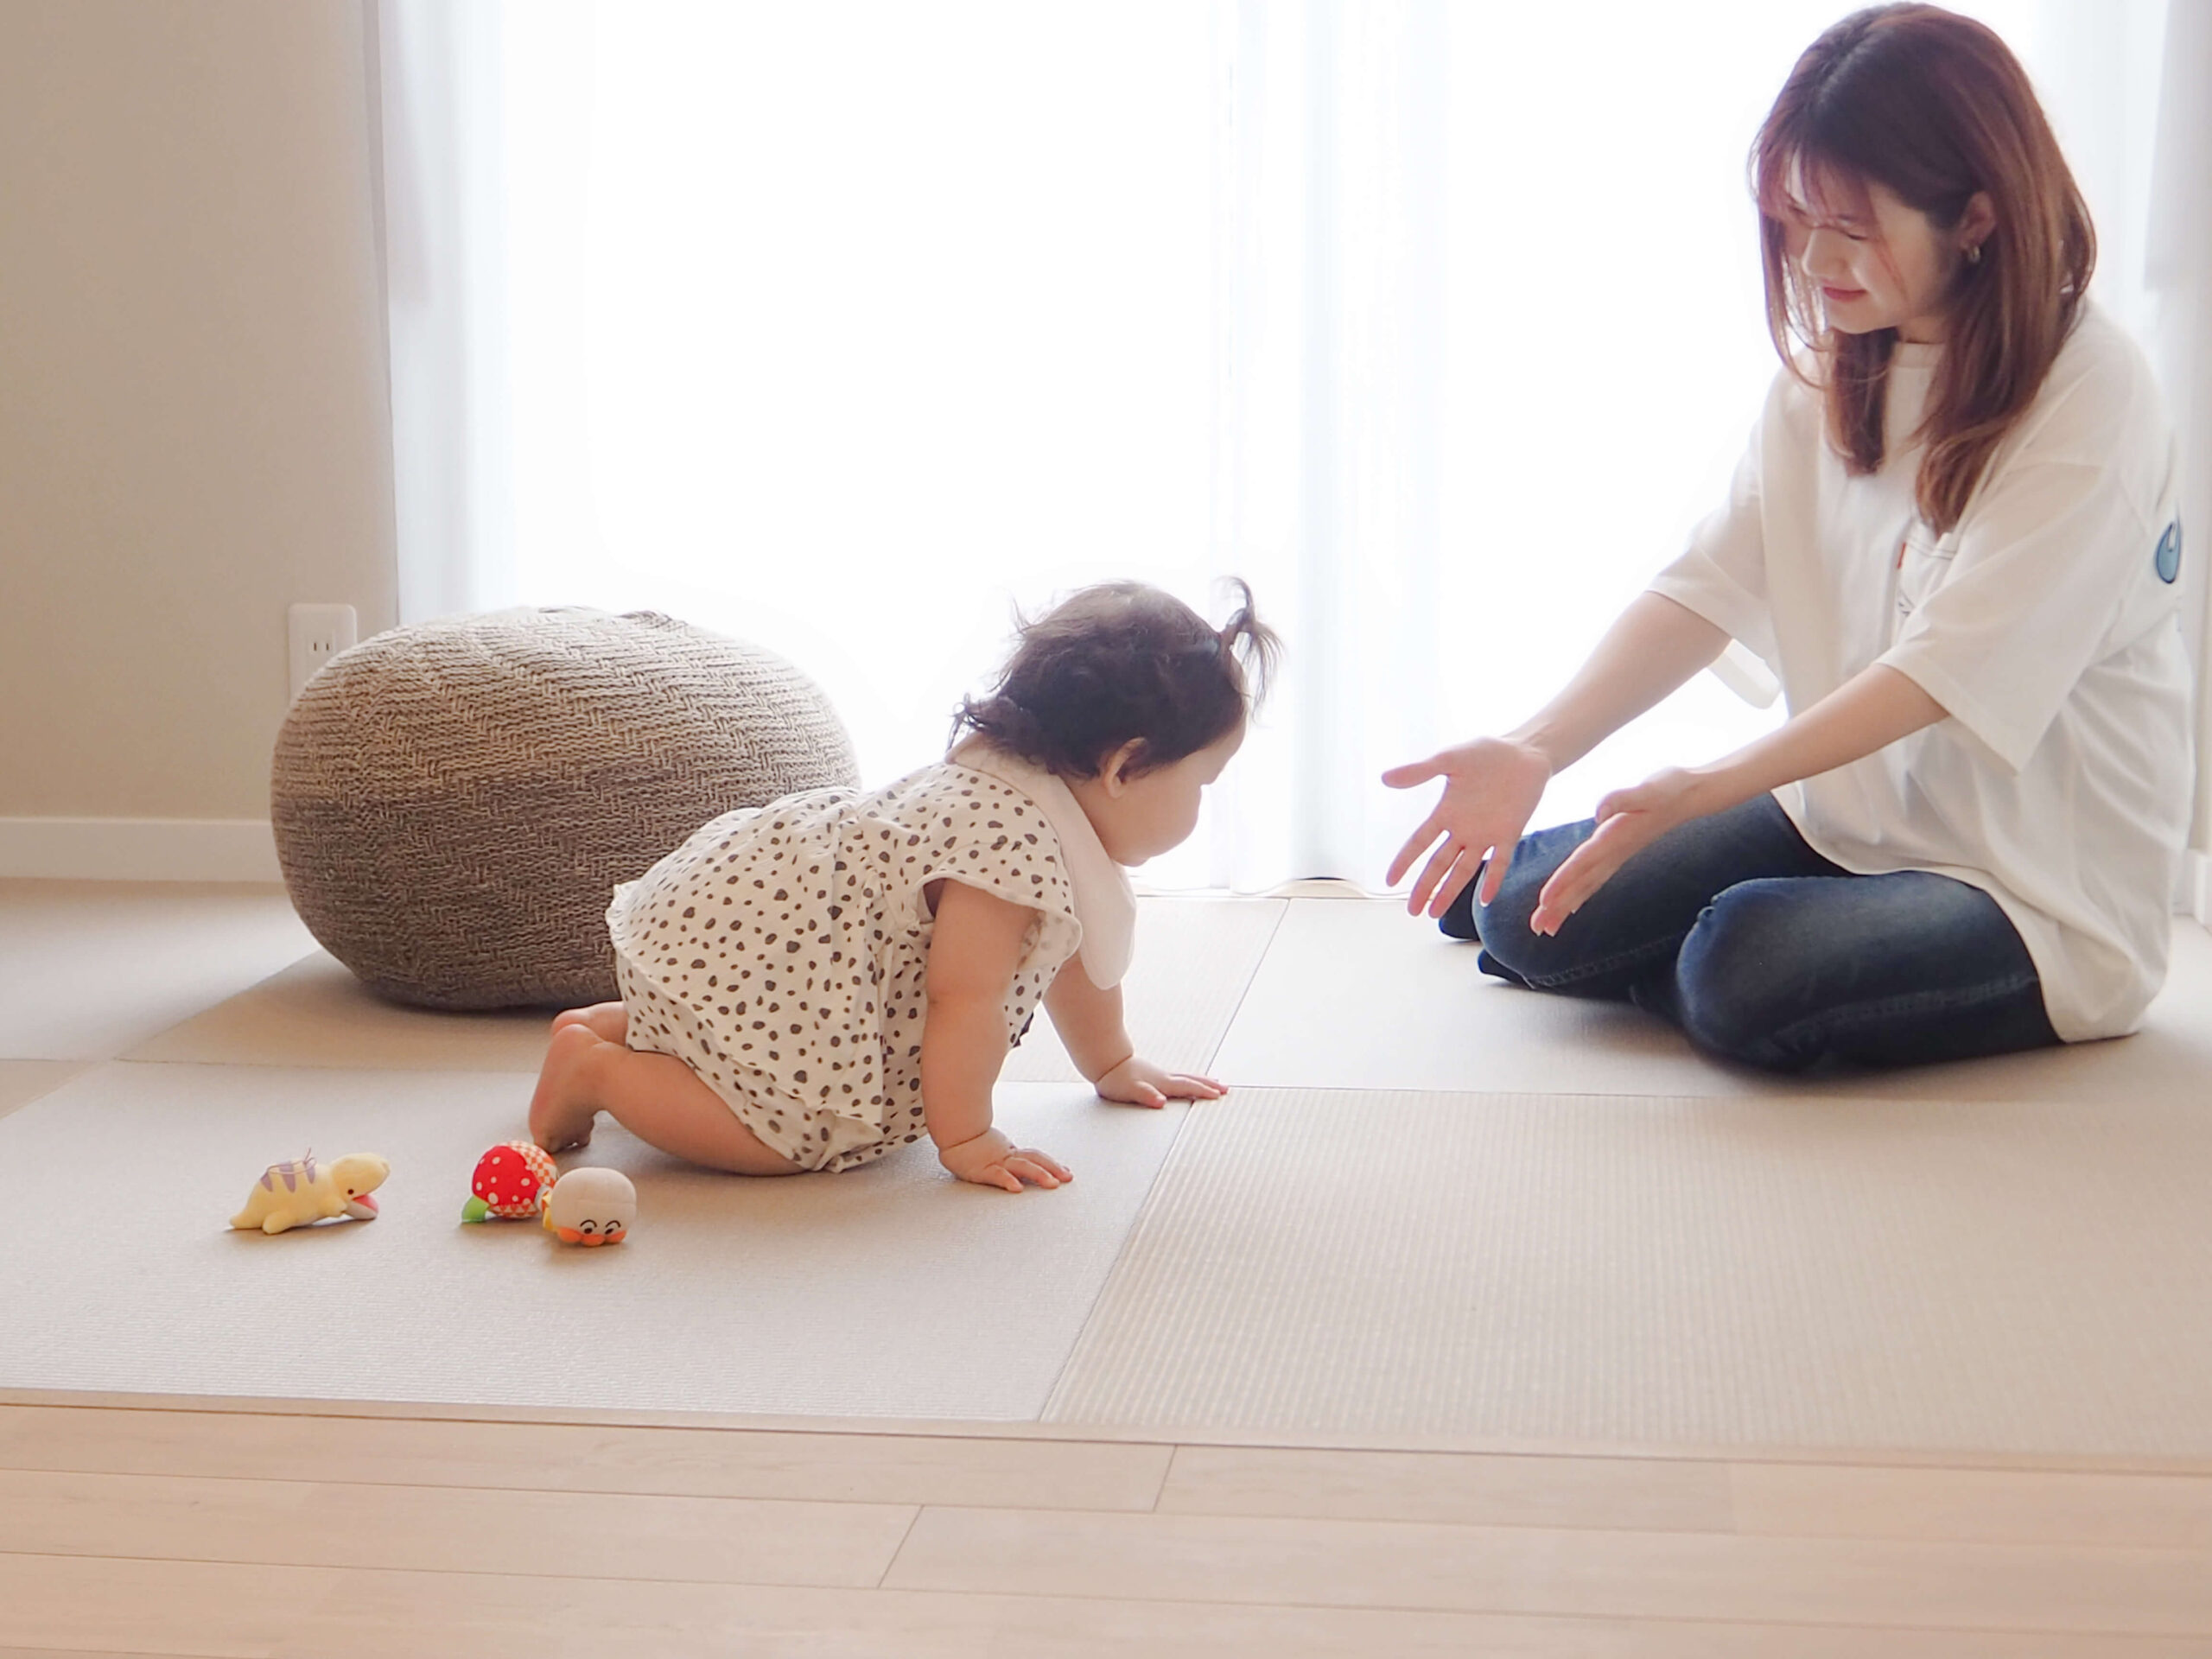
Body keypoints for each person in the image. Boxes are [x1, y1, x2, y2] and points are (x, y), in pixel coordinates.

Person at [1383, 3, 2192, 1072]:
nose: (1812, 261)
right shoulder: (1838, 363)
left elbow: (1942, 673)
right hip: (1842, 819)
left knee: (1744, 970)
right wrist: (1539, 745)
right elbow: (1705, 583)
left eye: (1851, 230)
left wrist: (1707, 788)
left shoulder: (2091, 398)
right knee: (1520, 913)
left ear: (1977, 218)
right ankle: (1710, 946)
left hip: (2029, 887)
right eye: (1793, 221)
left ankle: (1725, 952)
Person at [531, 582, 1277, 1189]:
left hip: (769, 963)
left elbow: (1072, 955)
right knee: (785, 1138)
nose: (1203, 804)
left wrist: (1111, 1062)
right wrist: (967, 1138)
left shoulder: (1028, 792)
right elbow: (966, 998)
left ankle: (623, 1027)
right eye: (1203, 782)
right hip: (779, 957)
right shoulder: (1008, 848)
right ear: (1125, 767)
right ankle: (596, 1071)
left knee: (754, 1057)